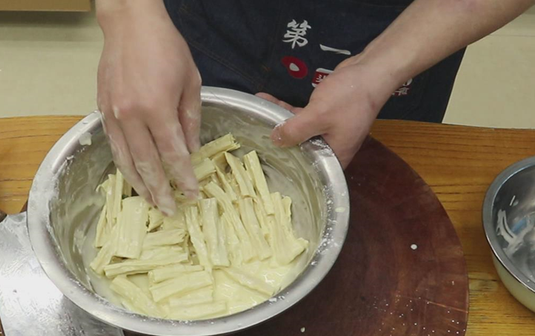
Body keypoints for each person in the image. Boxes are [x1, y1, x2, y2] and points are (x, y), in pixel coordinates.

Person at [95, 0, 534, 216]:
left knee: (376, 210)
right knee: (169, 155)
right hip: (212, 20)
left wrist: (376, 71)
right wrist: (129, 14)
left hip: (405, 30)